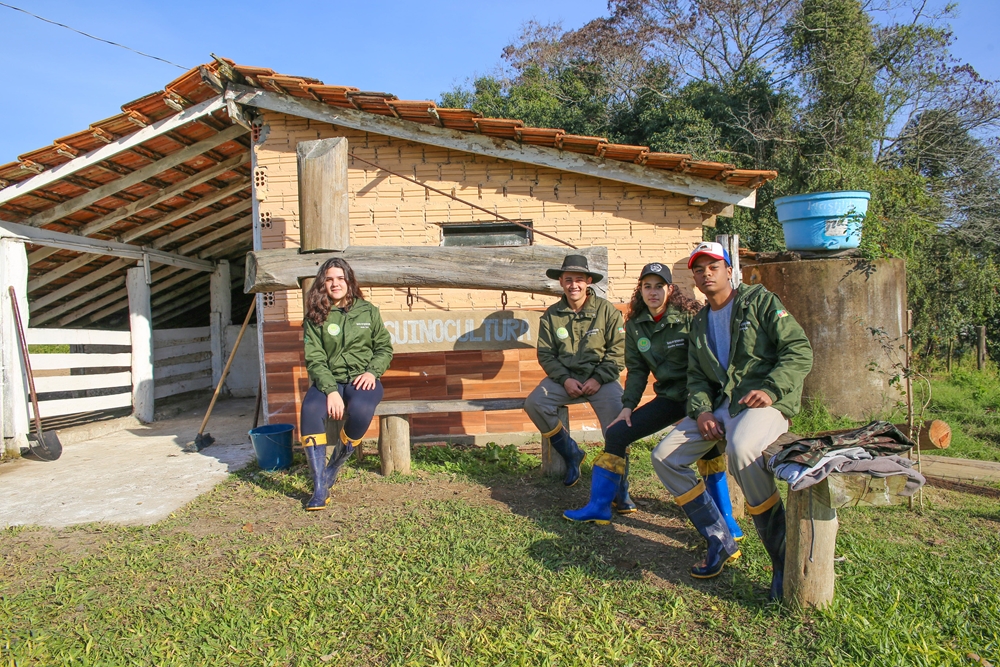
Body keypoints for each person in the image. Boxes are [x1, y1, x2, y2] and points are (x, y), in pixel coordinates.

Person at [651, 242, 812, 599]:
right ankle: (719, 538)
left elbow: (799, 350)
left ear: (728, 271)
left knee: (741, 449)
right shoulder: (700, 323)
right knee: (664, 456)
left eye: (713, 267)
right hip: (723, 407)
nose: (706, 274)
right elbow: (697, 378)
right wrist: (703, 411)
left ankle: (781, 560)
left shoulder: (759, 302)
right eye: (699, 269)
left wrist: (771, 388)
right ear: (694, 279)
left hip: (764, 403)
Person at [563, 263, 744, 539]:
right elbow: (637, 371)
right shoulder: (637, 325)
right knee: (617, 433)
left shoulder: (690, 317)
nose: (653, 292)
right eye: (647, 286)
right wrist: (627, 407)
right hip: (670, 398)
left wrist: (704, 407)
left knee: (708, 448)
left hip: (701, 397)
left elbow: (708, 362)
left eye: (659, 286)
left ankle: (726, 520)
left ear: (670, 289)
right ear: (641, 290)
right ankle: (599, 507)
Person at [300, 258, 393, 511]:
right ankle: (319, 487)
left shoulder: (368, 311)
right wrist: (330, 390)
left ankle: (333, 467)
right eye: (329, 279)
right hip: (329, 380)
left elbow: (384, 348)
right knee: (310, 410)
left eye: (340, 278)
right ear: (322, 284)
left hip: (361, 380)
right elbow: (315, 358)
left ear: (349, 281)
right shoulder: (315, 315)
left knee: (362, 410)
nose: (335, 284)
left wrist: (372, 372)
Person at [524, 254, 625, 486]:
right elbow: (546, 354)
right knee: (534, 403)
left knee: (618, 426)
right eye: (568, 280)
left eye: (579, 279)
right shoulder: (552, 315)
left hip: (602, 380)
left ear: (588, 281)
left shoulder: (606, 311)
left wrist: (599, 378)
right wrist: (565, 379)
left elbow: (619, 351)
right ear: (561, 282)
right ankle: (571, 453)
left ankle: (620, 487)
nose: (573, 285)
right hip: (565, 380)